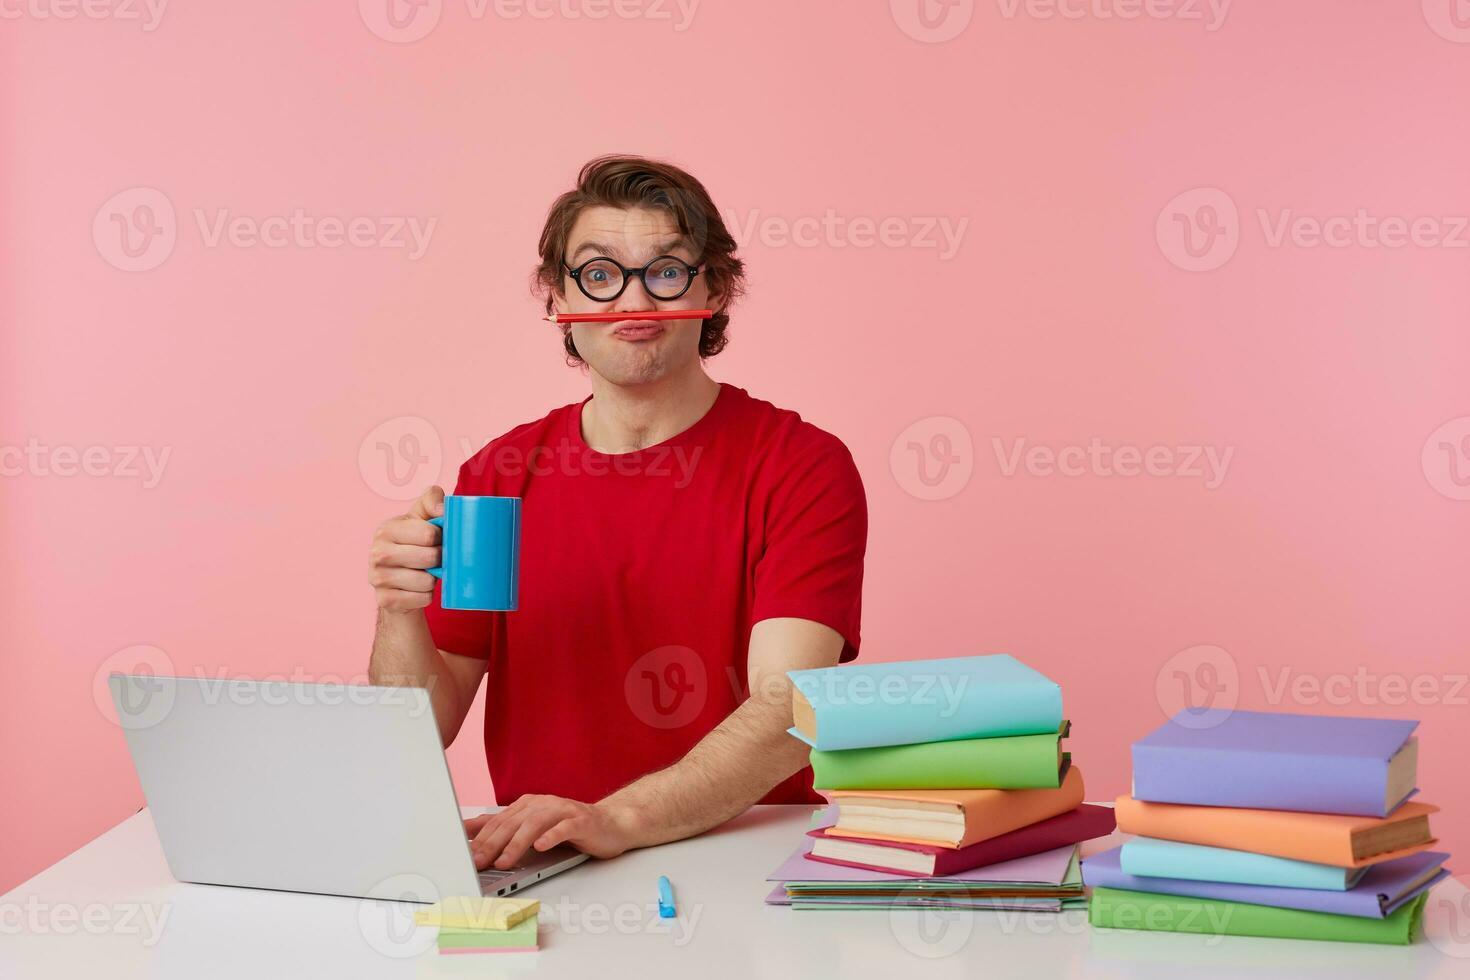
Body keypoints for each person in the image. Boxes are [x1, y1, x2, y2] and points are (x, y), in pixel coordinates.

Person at [367, 155, 867, 872]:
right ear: (558, 298)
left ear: (715, 288)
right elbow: (418, 730)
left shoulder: (801, 466)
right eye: (599, 275)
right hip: (541, 860)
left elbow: (788, 711)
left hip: (743, 857)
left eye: (664, 271)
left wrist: (617, 818)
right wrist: (399, 610)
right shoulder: (498, 476)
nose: (632, 302)